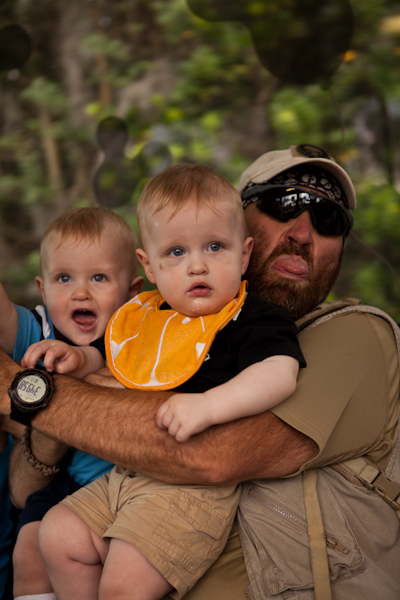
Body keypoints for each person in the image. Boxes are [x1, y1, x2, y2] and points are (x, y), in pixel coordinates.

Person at [2, 144, 399, 599]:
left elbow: (211, 454)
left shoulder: (354, 334)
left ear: (240, 248)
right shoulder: (161, 316)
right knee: (52, 535)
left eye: (329, 219)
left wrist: (35, 393)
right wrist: (84, 365)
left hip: (188, 521)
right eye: (283, 203)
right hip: (124, 492)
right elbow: (22, 487)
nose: (304, 231)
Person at [36, 163, 305, 600]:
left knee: (123, 585)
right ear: (151, 265)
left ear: (243, 255)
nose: (197, 265)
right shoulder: (143, 317)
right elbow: (109, 354)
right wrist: (77, 357)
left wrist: (209, 405)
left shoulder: (251, 316)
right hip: (126, 473)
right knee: (57, 535)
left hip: (192, 489)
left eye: (215, 247)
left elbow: (279, 373)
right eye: (176, 253)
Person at [1, 207, 143, 600]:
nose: (80, 292)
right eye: (64, 278)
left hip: (131, 486)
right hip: (67, 483)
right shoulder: (41, 332)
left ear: (132, 292)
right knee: (28, 547)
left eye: (98, 277)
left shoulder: (142, 338)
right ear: (43, 289)